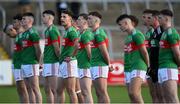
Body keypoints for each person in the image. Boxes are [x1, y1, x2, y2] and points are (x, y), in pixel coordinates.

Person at [116, 14, 150, 103]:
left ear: (126, 23)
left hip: (138, 66)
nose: (120, 27)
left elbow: (144, 52)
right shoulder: (128, 37)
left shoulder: (137, 35)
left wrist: (148, 67)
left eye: (120, 25)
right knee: (133, 96)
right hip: (129, 68)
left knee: (133, 93)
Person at [3, 15, 29, 103]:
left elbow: (26, 51)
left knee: (23, 90)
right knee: (20, 91)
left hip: (20, 65)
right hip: (17, 65)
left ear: (11, 30)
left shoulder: (21, 35)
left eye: (8, 33)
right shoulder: (18, 36)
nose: (9, 36)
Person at [142, 9, 165, 103]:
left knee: (162, 95)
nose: (146, 20)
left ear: (155, 18)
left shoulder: (161, 31)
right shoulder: (152, 32)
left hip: (160, 66)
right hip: (151, 65)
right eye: (144, 17)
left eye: (148, 18)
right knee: (154, 93)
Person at [88, 11, 110, 103]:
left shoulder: (99, 33)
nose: (87, 20)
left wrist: (109, 64)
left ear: (96, 20)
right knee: (98, 92)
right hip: (94, 64)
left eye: (90, 18)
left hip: (100, 65)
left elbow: (104, 51)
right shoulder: (93, 33)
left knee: (102, 91)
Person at [158, 9, 180, 103]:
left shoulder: (171, 33)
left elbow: (177, 53)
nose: (158, 19)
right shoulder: (164, 33)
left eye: (160, 18)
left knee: (172, 97)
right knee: (166, 98)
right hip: (162, 67)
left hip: (169, 67)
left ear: (166, 19)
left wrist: (178, 65)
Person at [57, 10, 79, 103]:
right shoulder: (67, 31)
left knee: (71, 90)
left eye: (64, 17)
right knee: (59, 90)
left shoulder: (71, 31)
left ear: (70, 18)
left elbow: (77, 44)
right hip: (63, 63)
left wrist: (72, 56)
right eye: (61, 16)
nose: (62, 18)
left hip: (69, 63)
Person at [21, 12, 42, 103]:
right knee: (28, 89)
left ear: (30, 20)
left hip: (31, 63)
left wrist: (37, 62)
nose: (22, 21)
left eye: (24, 19)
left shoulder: (33, 33)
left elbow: (38, 50)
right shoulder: (24, 33)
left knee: (35, 88)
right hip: (24, 63)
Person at [42, 10, 61, 103]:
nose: (42, 18)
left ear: (50, 17)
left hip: (53, 62)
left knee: (54, 90)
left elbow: (57, 48)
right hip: (47, 62)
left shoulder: (53, 30)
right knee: (47, 89)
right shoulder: (47, 30)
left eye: (44, 16)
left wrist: (60, 62)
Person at [76, 13, 94, 103]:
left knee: (86, 92)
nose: (77, 21)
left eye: (79, 20)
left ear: (85, 22)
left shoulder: (86, 34)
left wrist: (91, 66)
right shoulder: (80, 34)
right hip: (81, 65)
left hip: (85, 66)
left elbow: (90, 52)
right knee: (84, 92)